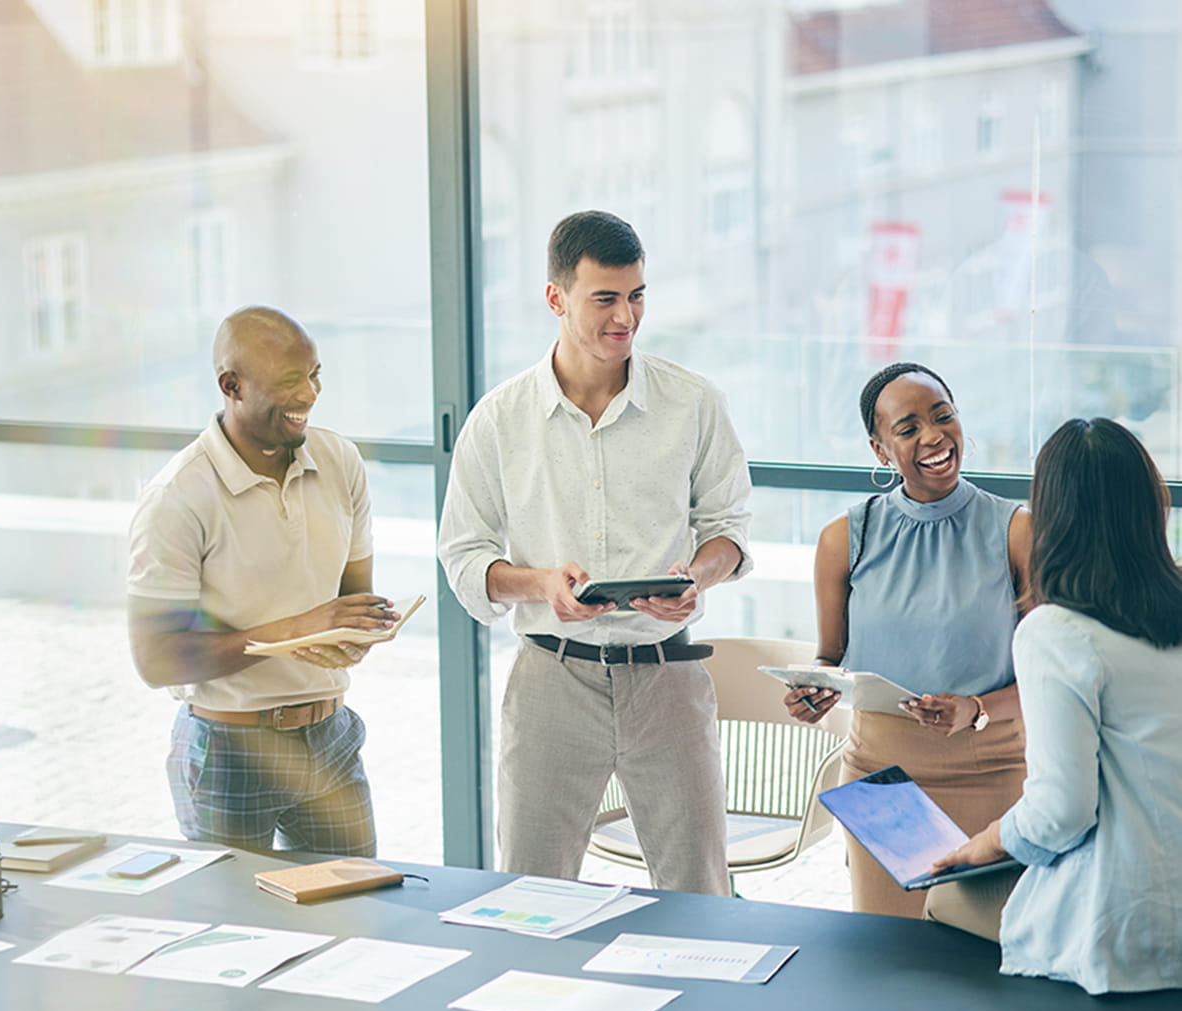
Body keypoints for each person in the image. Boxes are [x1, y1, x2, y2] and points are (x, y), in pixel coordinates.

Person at [436, 210, 752, 896]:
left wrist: (695, 577)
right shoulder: (500, 419)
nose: (625, 317)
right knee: (529, 893)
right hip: (551, 682)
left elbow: (728, 530)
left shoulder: (693, 402)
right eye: (605, 298)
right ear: (556, 298)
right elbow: (464, 555)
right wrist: (541, 584)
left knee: (700, 891)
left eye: (636, 296)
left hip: (667, 678)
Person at [125, 306, 397, 856]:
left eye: (314, 375)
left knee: (360, 901)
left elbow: (351, 599)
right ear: (232, 386)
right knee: (236, 912)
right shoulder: (178, 497)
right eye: (289, 381)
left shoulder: (340, 460)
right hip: (229, 750)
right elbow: (156, 659)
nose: (309, 395)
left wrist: (355, 634)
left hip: (331, 738)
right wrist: (296, 630)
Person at [927, 418, 1182, 994]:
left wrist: (987, 841)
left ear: (1052, 517)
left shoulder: (1056, 633)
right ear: (1152, 503)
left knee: (942, 903)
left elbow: (1061, 811)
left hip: (1123, 921)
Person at [785, 363, 1029, 918]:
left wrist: (976, 709)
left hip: (992, 770)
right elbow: (830, 658)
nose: (934, 436)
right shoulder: (844, 537)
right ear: (880, 450)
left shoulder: (1016, 531)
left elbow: (1049, 678)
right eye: (909, 428)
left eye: (943, 416)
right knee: (888, 947)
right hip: (882, 778)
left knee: (989, 951)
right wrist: (816, 690)